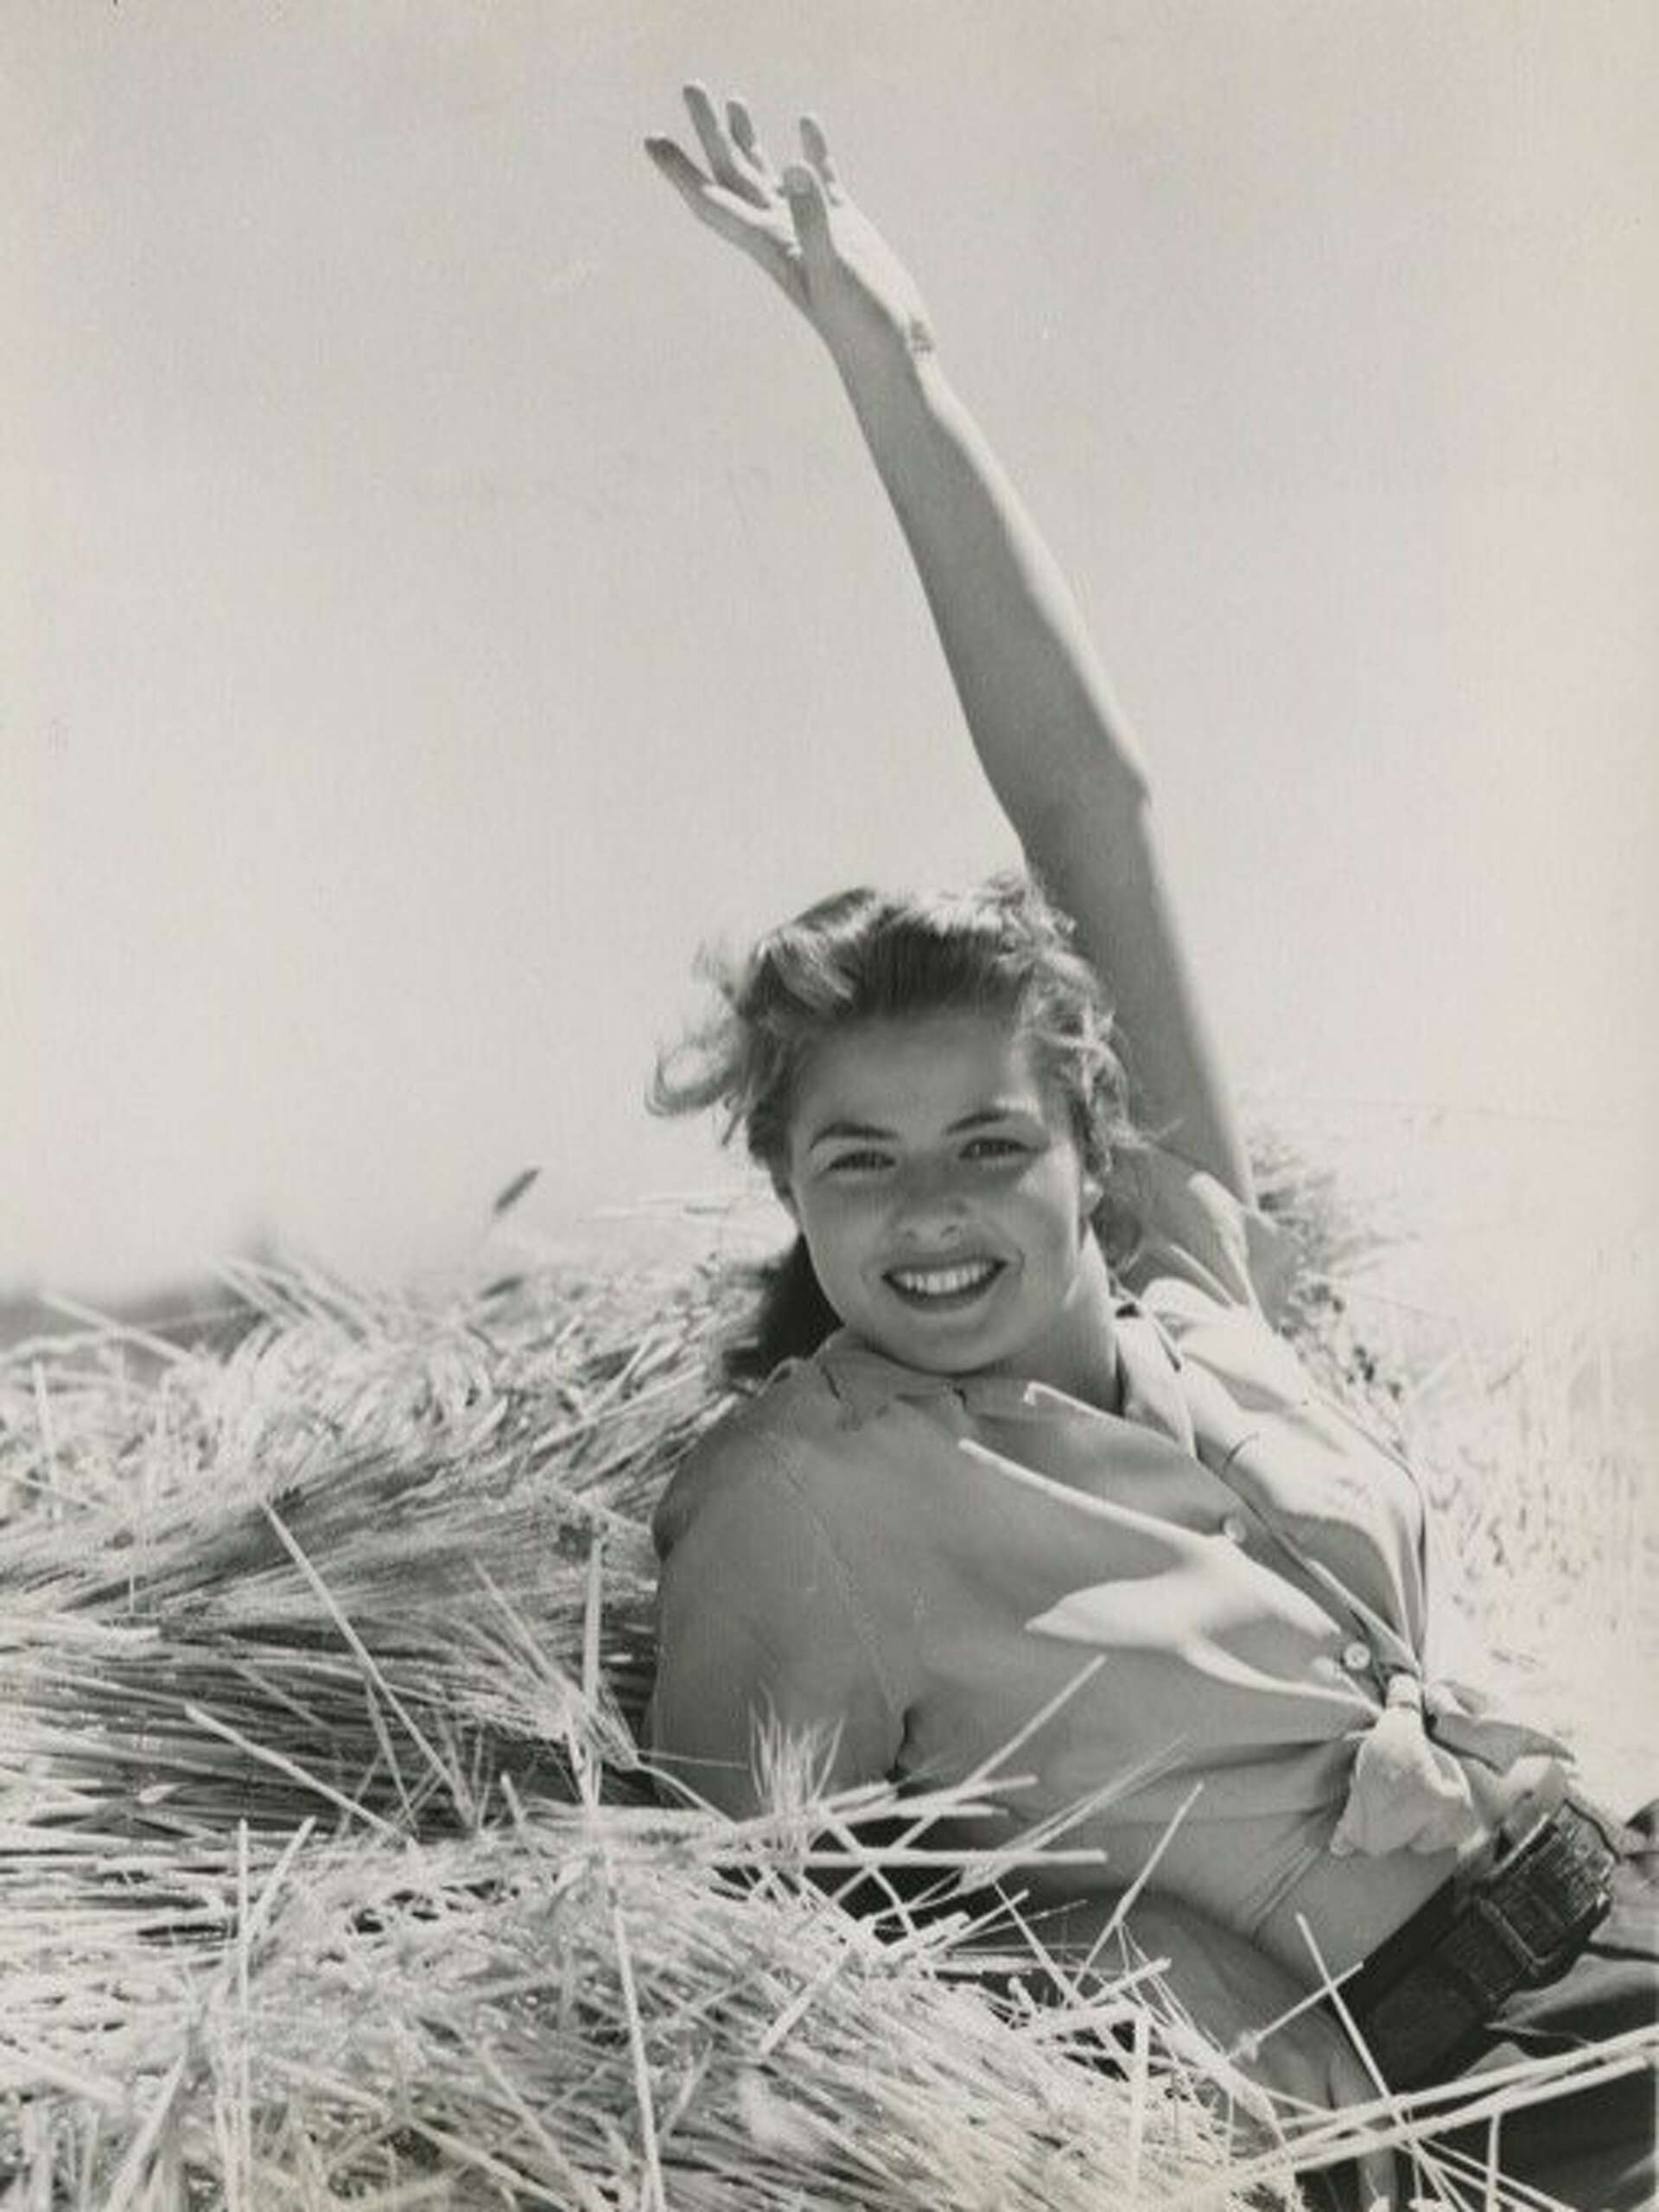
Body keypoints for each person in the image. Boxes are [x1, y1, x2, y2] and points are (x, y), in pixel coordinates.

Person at [640, 86, 1656, 2209]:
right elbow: (719, 1947)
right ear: (790, 1188)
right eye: (856, 1161)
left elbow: (1089, 807)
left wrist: (899, 371)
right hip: (1467, 2103)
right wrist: (1124, 1982)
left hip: (1617, 1907)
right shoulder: (798, 1506)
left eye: (986, 1139)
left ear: (1088, 1144)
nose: (930, 1209)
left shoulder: (1195, 1275)